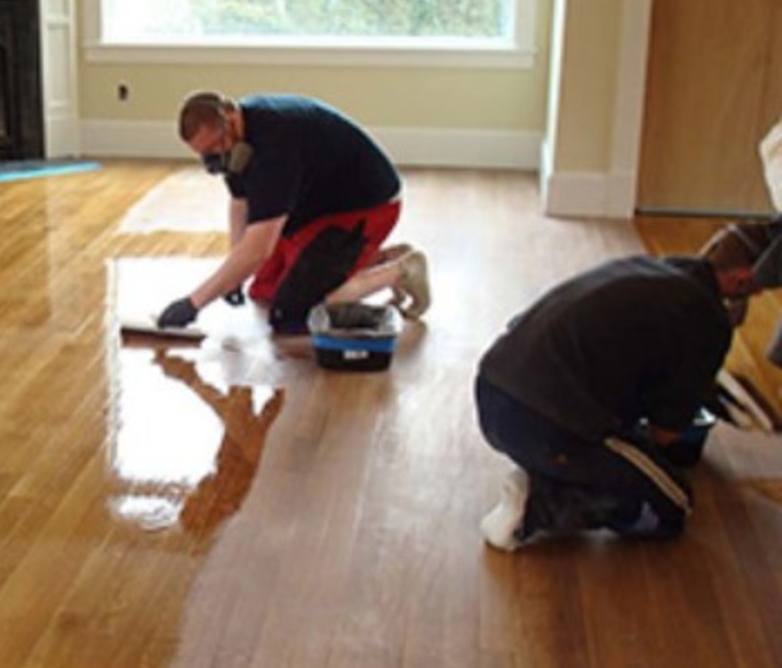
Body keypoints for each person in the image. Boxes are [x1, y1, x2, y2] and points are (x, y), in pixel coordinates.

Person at [474, 222, 775, 551]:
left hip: (493, 391)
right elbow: (664, 434)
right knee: (672, 505)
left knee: (617, 445)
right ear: (742, 278)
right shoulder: (708, 321)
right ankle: (538, 508)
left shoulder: (648, 269)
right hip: (545, 424)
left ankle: (554, 470)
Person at [156, 92, 430, 334]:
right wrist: (233, 277)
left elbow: (258, 249)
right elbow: (240, 201)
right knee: (265, 289)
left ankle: (402, 270)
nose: (214, 157)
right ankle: (381, 257)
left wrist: (193, 304)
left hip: (366, 207)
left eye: (216, 145)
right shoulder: (238, 142)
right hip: (316, 207)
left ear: (230, 118)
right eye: (205, 153)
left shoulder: (275, 145)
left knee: (293, 313)